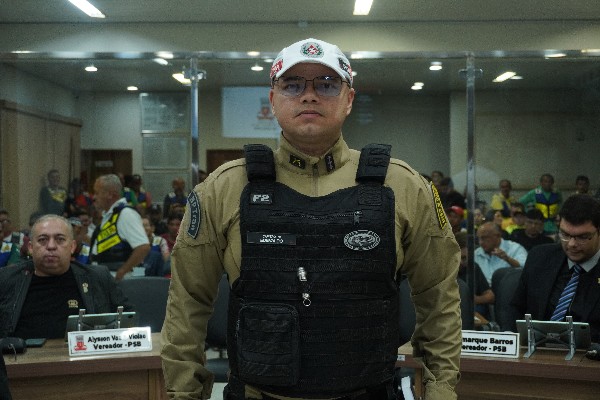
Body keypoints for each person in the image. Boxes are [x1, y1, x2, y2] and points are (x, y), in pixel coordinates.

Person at [161, 38, 462, 400]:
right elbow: (187, 305)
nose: (309, 96)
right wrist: (183, 394)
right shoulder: (224, 189)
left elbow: (439, 302)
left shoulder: (403, 186)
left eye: (326, 84)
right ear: (273, 99)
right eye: (292, 85)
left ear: (349, 99)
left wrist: (441, 391)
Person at [0, 215, 133, 339]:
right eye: (42, 240)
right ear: (30, 247)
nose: (51, 246)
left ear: (72, 247)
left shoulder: (97, 278)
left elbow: (129, 320)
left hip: (83, 354)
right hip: (21, 355)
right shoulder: (6, 279)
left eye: (60, 239)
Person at [511, 194, 600, 342]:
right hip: (535, 350)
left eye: (582, 237)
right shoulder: (539, 257)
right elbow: (515, 308)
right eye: (565, 234)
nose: (571, 244)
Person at [90, 174, 150, 281]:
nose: (94, 197)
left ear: (110, 194)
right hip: (104, 277)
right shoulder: (111, 215)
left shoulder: (126, 214)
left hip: (120, 281)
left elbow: (143, 247)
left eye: (97, 193)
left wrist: (122, 271)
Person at [455, 232, 494, 319]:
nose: (461, 262)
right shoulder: (442, 271)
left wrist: (473, 299)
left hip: (472, 311)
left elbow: (490, 296)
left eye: (465, 258)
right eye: (458, 257)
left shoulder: (473, 267)